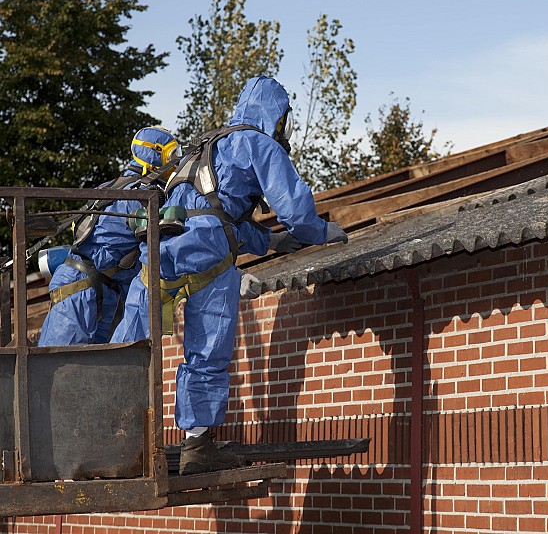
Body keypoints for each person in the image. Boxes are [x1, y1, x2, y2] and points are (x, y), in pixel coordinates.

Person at [111, 76, 348, 476]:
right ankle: (198, 446)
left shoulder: (208, 146)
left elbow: (215, 213)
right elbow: (294, 210)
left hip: (158, 251)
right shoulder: (260, 143)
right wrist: (320, 232)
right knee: (207, 347)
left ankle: (106, 436)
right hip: (208, 255)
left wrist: (271, 242)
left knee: (127, 349)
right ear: (277, 116)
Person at [38, 127, 179, 346]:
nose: (175, 161)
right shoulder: (145, 196)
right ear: (155, 154)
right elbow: (171, 245)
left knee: (94, 372)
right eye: (172, 154)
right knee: (57, 369)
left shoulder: (113, 187)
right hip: (81, 287)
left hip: (100, 289)